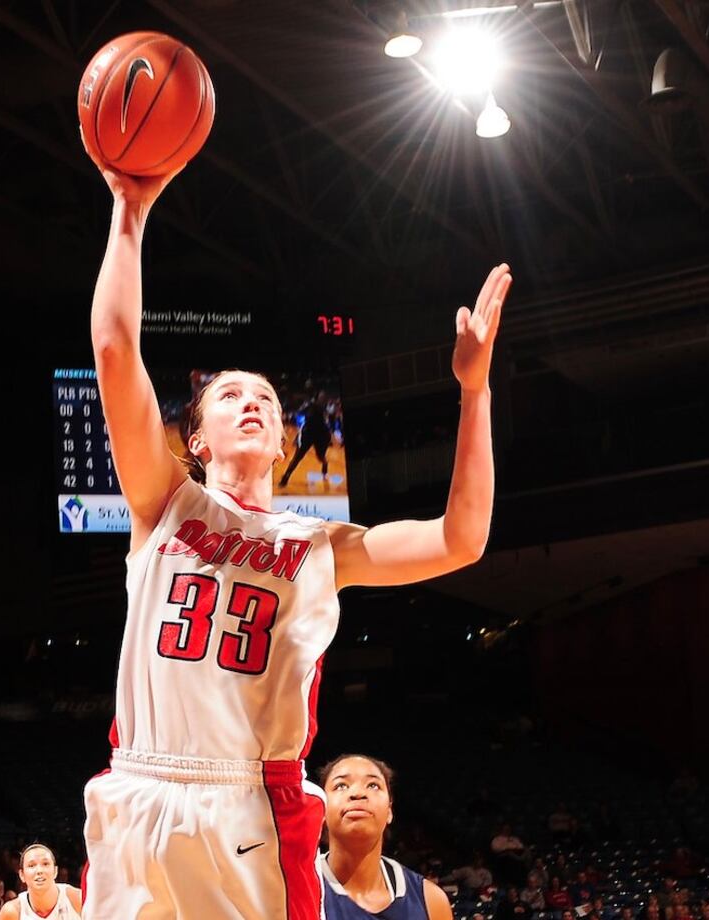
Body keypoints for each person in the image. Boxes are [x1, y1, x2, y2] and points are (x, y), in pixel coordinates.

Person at [81, 150, 512, 920]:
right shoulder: (161, 503)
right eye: (230, 396)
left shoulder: (320, 547)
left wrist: (473, 392)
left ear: (283, 440)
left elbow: (462, 538)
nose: (250, 403)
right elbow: (115, 349)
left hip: (249, 804)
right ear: (197, 438)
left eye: (266, 400)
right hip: (139, 789)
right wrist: (129, 207)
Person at [317, 755, 451, 920]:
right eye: (341, 785)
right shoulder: (295, 891)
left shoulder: (430, 900)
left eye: (373, 785)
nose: (358, 793)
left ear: (389, 811)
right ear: (321, 809)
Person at [0, 845, 79, 920]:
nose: (39, 871)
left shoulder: (76, 899)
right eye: (31, 865)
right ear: (22, 875)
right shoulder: (12, 912)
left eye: (45, 864)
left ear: (55, 871)